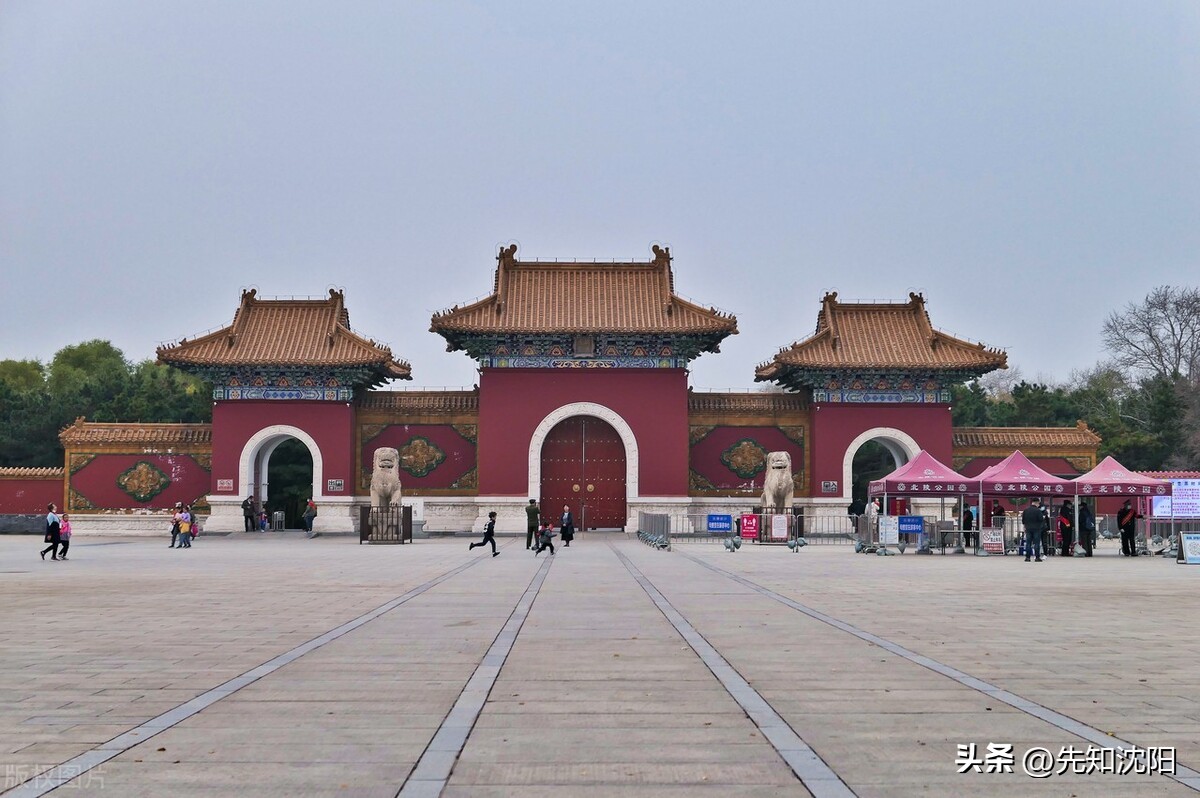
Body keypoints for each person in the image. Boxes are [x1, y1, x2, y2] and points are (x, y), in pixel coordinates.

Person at [1021, 498, 1046, 562]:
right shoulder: (1038, 510)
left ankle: (1027, 557)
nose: (1039, 505)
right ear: (1036, 502)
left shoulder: (1026, 510)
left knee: (1028, 543)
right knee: (1036, 543)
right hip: (1037, 528)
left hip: (1028, 528)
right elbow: (1041, 519)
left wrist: (1025, 526)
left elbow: (1023, 520)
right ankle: (1037, 557)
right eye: (1038, 503)